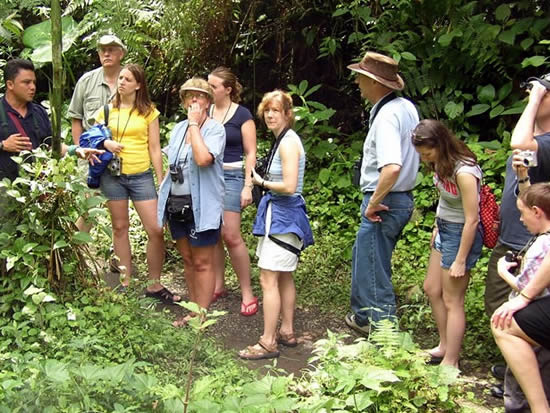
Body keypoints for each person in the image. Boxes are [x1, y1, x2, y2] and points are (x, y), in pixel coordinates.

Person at [484, 73, 550, 404]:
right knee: (499, 308)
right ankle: (517, 383)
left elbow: (519, 142)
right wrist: (523, 176)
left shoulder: (544, 140)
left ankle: (526, 397)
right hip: (516, 236)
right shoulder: (533, 141)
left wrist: (538, 96)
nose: (530, 95)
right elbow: (529, 193)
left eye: (540, 93)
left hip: (537, 246)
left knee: (515, 316)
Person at [345, 51, 419, 334]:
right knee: (366, 258)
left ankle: (385, 335)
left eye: (361, 77)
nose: (357, 82)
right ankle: (364, 318)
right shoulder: (405, 107)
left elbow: (391, 167)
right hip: (400, 198)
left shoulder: (388, 115)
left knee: (373, 268)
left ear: (375, 82)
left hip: (386, 200)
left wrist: (374, 202)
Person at [239, 90, 313, 360]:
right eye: (267, 110)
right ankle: (287, 331)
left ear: (287, 114)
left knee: (268, 278)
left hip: (283, 215)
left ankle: (268, 341)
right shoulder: (283, 140)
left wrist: (261, 183)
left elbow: (290, 186)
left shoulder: (288, 143)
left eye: (276, 111)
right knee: (283, 276)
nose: (270, 115)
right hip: (282, 215)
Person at [95, 63, 179, 302]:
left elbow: (154, 147)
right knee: (120, 228)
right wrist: (105, 144)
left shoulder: (149, 112)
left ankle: (154, 283)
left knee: (155, 229)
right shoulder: (106, 111)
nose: (122, 82)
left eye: (128, 79)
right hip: (113, 176)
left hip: (141, 175)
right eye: (120, 78)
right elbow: (94, 140)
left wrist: (161, 177)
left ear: (138, 85)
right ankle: (125, 282)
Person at [412, 119, 483, 369]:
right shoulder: (440, 164)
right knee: (432, 288)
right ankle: (443, 346)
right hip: (444, 229)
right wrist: (435, 226)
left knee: (454, 300)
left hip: (461, 233)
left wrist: (461, 259)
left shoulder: (464, 172)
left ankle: (451, 361)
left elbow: (472, 220)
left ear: (440, 144)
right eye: (420, 154)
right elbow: (444, 199)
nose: (424, 159)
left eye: (427, 153)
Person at [157, 77, 225, 327]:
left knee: (202, 261)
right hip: (177, 203)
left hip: (202, 205)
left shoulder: (215, 129)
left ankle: (201, 315)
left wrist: (195, 127)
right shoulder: (177, 129)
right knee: (187, 259)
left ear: (208, 102)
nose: (194, 100)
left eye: (199, 96)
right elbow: (171, 165)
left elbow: (203, 159)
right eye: (189, 96)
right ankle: (193, 309)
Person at [492, 183, 550, 413]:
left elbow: (527, 286)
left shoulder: (542, 245)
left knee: (503, 324)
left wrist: (504, 272)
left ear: (537, 211)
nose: (521, 219)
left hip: (537, 311)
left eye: (522, 212)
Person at [0, 58, 101, 187]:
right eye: (26, 82)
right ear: (10, 85)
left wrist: (77, 150)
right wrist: (3, 145)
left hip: (37, 189)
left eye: (33, 82)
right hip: (5, 192)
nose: (32, 87)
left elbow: (52, 146)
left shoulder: (39, 112)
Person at [208, 66, 258, 316]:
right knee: (214, 232)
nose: (208, 90)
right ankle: (218, 285)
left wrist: (248, 185)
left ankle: (247, 291)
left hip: (232, 175)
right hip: (207, 176)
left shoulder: (242, 115)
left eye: (213, 86)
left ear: (227, 90)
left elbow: (251, 152)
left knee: (231, 234)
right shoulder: (204, 113)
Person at [68, 34, 126, 234]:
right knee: (89, 208)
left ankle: (117, 261)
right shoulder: (87, 81)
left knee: (119, 214)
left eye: (111, 49)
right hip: (91, 154)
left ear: (121, 53)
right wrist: (80, 150)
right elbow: (76, 118)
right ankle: (75, 254)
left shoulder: (130, 80)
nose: (106, 53)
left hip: (122, 154)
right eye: (102, 50)